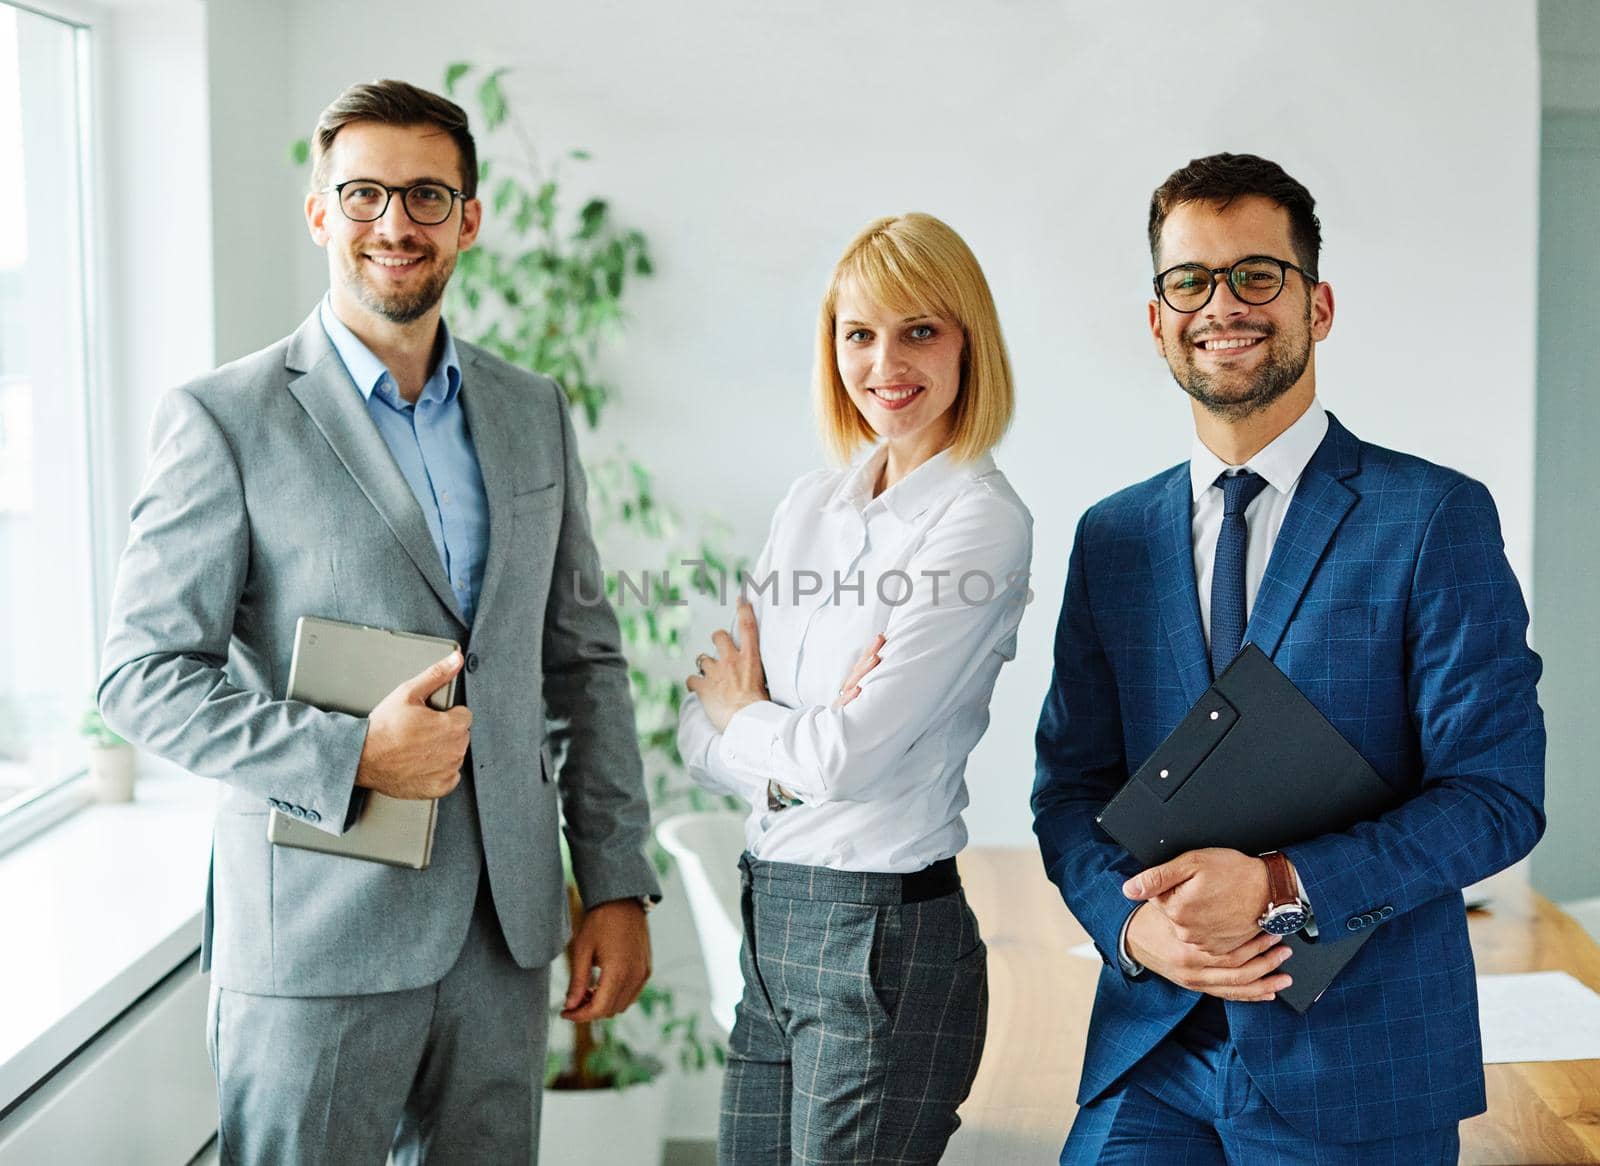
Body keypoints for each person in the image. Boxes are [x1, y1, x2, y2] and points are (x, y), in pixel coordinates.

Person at [98, 79, 660, 1165]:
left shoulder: (530, 408)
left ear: (469, 221)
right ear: (318, 212)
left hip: (504, 938)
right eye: (362, 194)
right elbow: (140, 673)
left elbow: (580, 661)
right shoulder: (225, 417)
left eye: (425, 196)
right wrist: (353, 753)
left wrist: (618, 878)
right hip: (316, 934)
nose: (394, 224)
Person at [1032, 152, 1545, 1164]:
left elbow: (1496, 796)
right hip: (1154, 1050)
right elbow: (1069, 788)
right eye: (1190, 280)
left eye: (1256, 274)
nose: (1221, 304)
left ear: (1318, 305)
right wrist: (1135, 934)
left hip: (1357, 1063)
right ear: (1156, 320)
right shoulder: (1112, 537)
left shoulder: (1432, 517)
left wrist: (1277, 884)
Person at [677, 212, 1032, 1164]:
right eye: (859, 333)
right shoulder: (812, 504)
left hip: (882, 941)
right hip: (773, 920)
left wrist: (759, 720)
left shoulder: (978, 524)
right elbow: (693, 727)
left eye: (921, 330)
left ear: (969, 342)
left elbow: (842, 754)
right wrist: (789, 731)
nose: (885, 362)